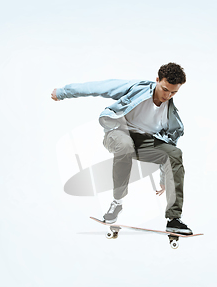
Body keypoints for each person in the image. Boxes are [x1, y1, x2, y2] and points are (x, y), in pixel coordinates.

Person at [51, 63, 192, 235]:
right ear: (157, 80)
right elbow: (100, 87)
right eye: (165, 89)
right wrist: (63, 92)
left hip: (143, 142)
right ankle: (117, 203)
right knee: (125, 146)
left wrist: (164, 177)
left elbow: (170, 148)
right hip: (118, 132)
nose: (168, 95)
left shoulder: (172, 117)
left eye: (173, 92)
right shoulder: (137, 88)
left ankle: (174, 219)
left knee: (175, 153)